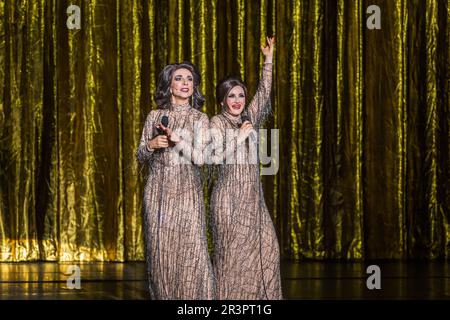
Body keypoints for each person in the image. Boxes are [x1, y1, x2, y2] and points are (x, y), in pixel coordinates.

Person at [209, 37, 282, 299]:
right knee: (232, 261)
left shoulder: (250, 117)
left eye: (241, 95)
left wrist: (268, 60)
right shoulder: (216, 123)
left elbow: (264, 91)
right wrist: (239, 137)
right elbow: (214, 157)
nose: (238, 100)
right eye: (231, 95)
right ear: (222, 100)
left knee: (268, 250)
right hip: (228, 202)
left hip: (254, 201)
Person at [136, 62, 214, 299]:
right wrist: (150, 145)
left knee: (192, 252)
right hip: (158, 193)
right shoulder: (154, 116)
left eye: (189, 79)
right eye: (179, 78)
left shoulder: (200, 119)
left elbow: (201, 159)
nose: (185, 84)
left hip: (187, 193)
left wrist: (177, 140)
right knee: (162, 255)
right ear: (169, 85)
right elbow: (140, 155)